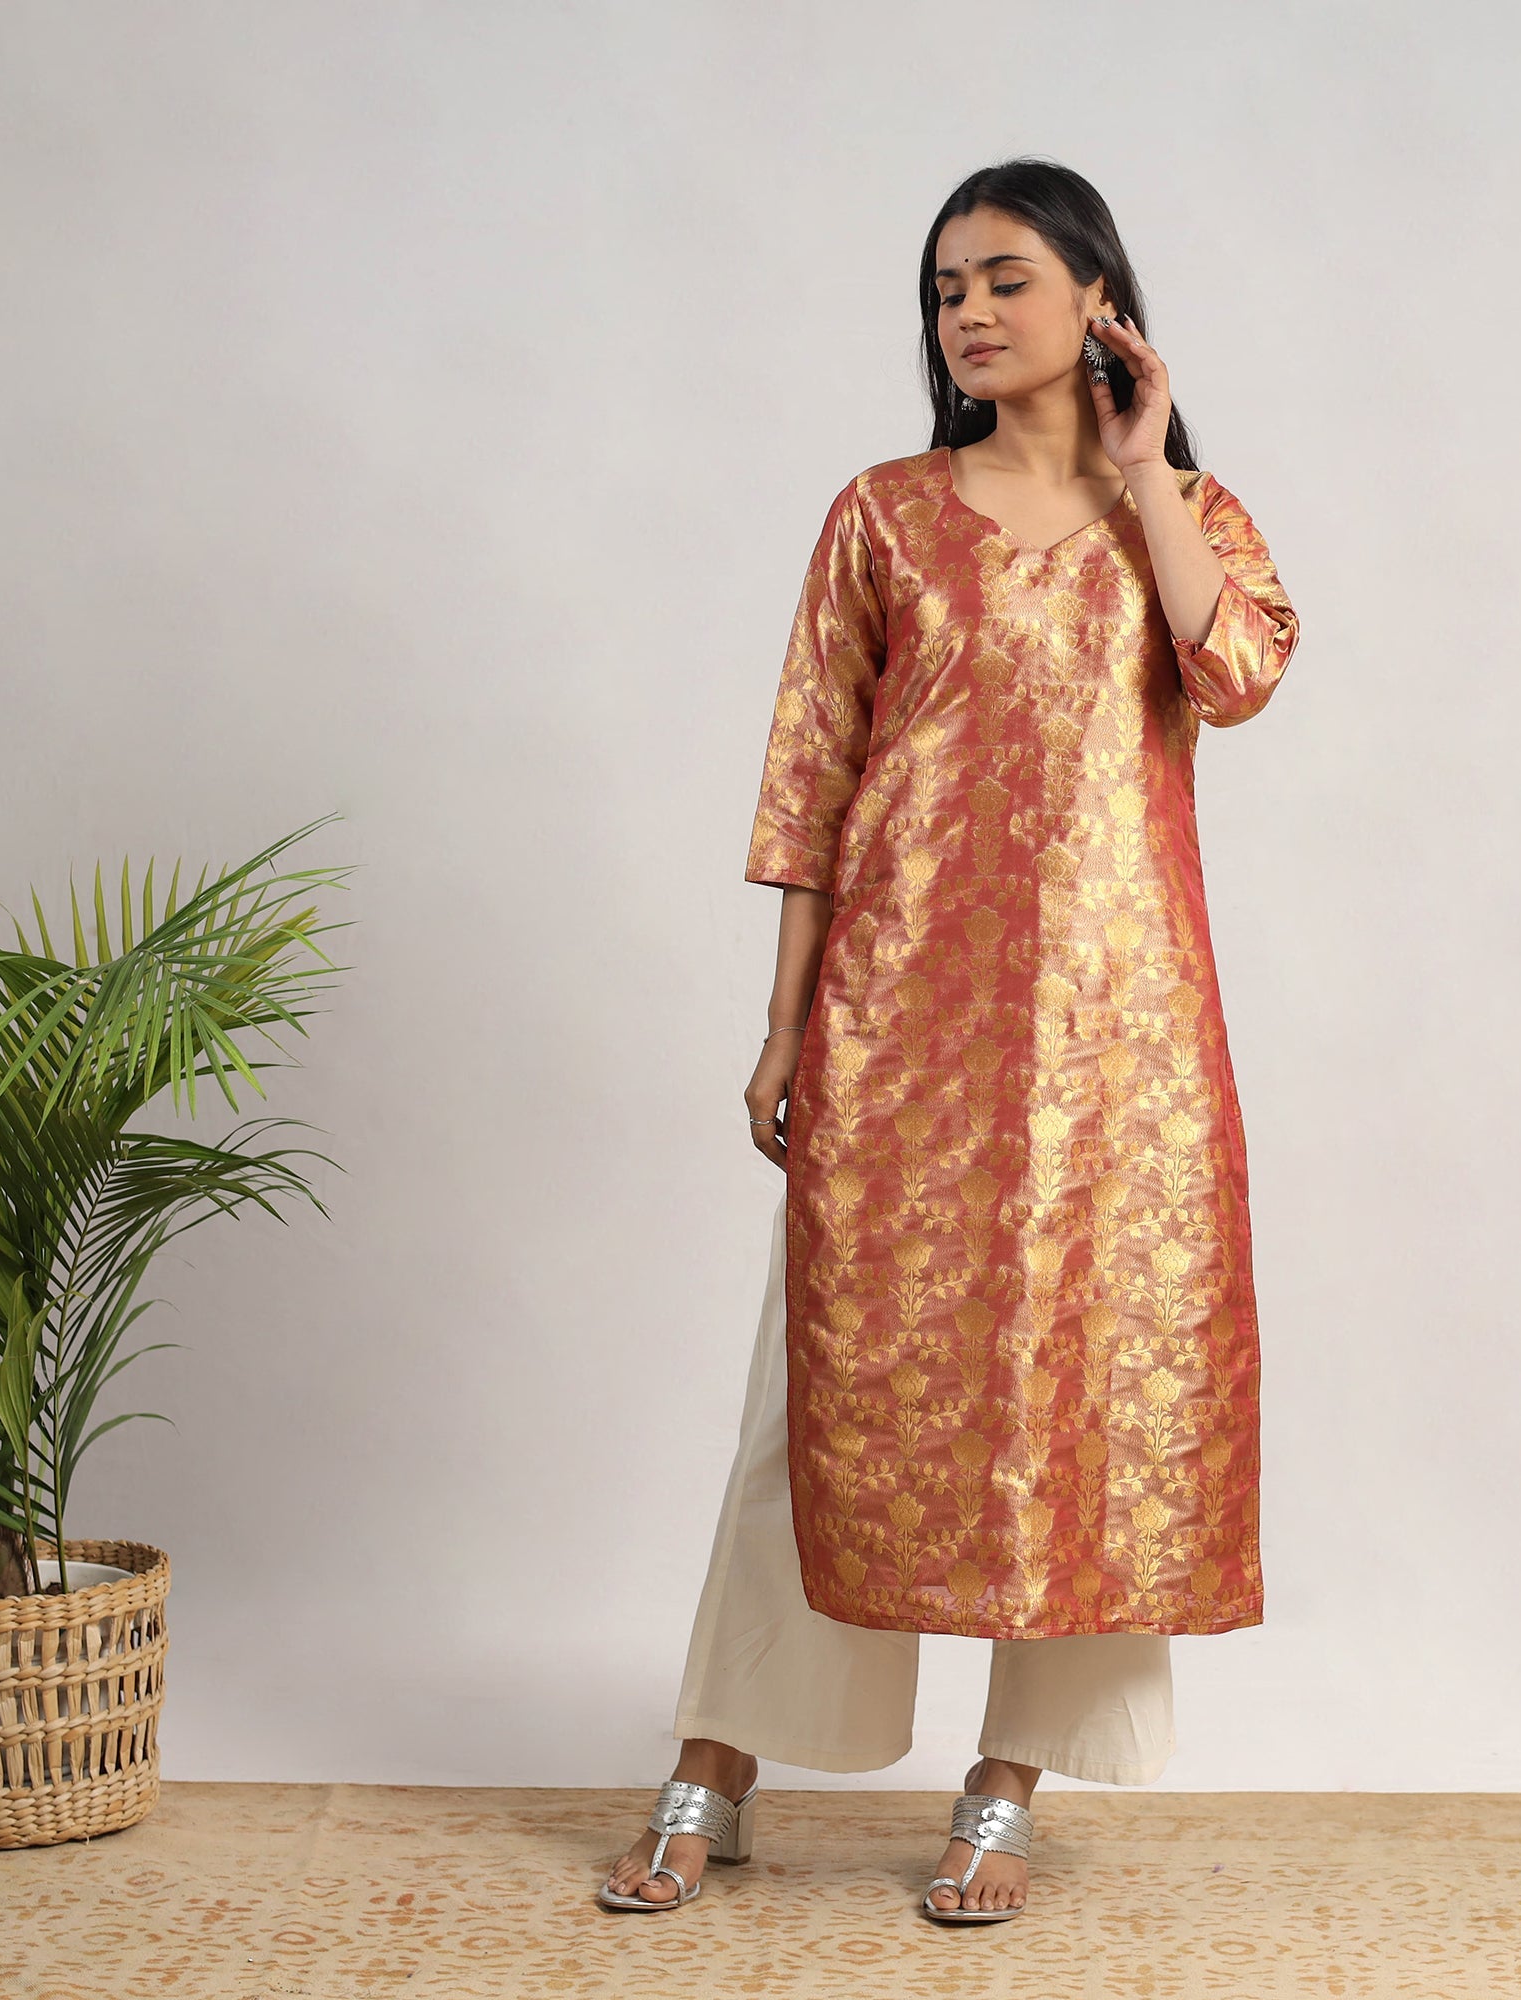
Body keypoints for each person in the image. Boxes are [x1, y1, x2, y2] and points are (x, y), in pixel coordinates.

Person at [601, 155, 1298, 1924]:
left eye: (1003, 280)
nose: (969, 314)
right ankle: (716, 1760)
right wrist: (784, 1026)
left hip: (1114, 1045)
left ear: (1097, 299)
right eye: (944, 290)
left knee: (1079, 1400)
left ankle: (1008, 1784)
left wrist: (1147, 474)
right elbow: (811, 782)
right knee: (823, 1397)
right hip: (898, 1024)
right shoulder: (885, 516)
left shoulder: (1186, 514)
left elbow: (1239, 677)